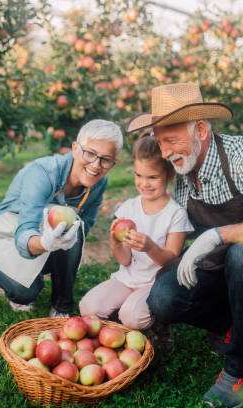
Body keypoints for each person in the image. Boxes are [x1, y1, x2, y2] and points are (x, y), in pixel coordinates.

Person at [126, 83, 243, 408]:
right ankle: (230, 322)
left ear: (199, 129)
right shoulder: (182, 172)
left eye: (170, 140)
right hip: (220, 268)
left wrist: (218, 235)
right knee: (165, 296)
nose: (164, 152)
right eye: (159, 140)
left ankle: (240, 373)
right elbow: (169, 229)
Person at [0, 119, 123, 318]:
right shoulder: (44, 173)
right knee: (26, 292)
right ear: (74, 148)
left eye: (106, 160)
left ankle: (62, 306)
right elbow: (25, 230)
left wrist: (64, 254)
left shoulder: (99, 182)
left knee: (74, 227)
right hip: (5, 240)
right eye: (90, 153)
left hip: (44, 242)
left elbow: (86, 224)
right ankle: (3, 271)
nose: (96, 165)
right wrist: (46, 244)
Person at [79, 135, 193, 331]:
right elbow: (124, 260)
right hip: (127, 279)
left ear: (170, 175)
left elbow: (171, 260)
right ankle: (120, 322)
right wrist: (115, 243)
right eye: (138, 175)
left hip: (154, 284)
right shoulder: (128, 209)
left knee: (132, 316)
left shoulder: (176, 214)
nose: (144, 183)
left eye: (152, 177)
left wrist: (150, 247)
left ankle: (156, 325)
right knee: (88, 307)